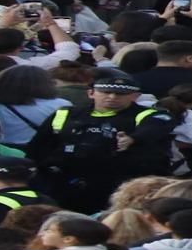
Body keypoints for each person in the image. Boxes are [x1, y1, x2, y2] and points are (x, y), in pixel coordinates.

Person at [25, 77, 179, 214]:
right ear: (91, 93)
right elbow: (39, 146)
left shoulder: (149, 114)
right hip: (63, 181)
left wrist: (133, 139)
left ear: (135, 96)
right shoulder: (66, 113)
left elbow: (156, 127)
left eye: (120, 94)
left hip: (118, 184)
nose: (112, 97)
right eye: (105, 92)